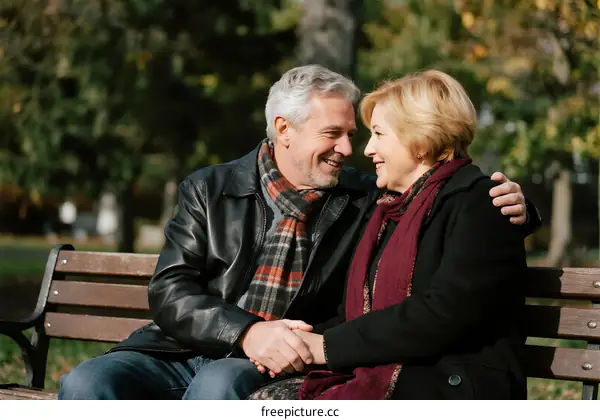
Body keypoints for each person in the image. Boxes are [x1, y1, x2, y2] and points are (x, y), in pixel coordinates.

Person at [59, 65, 536, 400]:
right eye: (334, 134)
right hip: (183, 348)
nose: (350, 149)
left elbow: (442, 195)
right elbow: (170, 289)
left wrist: (519, 208)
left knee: (220, 387)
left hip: (274, 360)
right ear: (284, 129)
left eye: (358, 133)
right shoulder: (210, 189)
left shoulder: (364, 196)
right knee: (86, 384)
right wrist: (246, 332)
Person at [252, 69, 529, 400]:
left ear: (420, 140)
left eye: (379, 134)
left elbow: (442, 313)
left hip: (456, 385)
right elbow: (362, 315)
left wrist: (323, 347)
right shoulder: (392, 210)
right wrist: (298, 340)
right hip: (406, 372)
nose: (367, 149)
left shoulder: (481, 203)